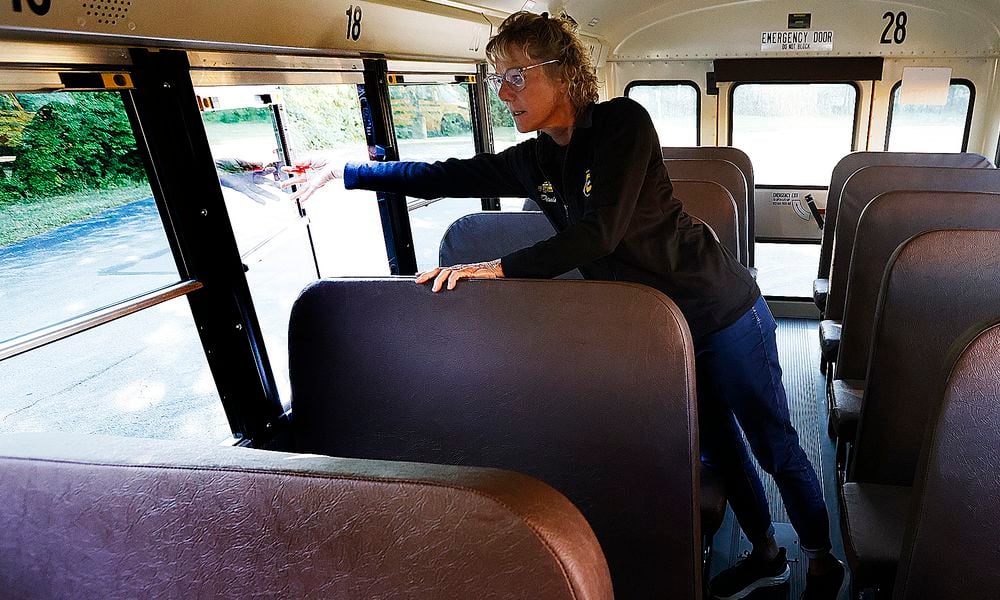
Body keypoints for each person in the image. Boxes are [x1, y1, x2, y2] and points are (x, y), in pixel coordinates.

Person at [282, 11, 845, 599]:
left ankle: (819, 552)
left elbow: (599, 234)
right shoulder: (537, 159)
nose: (504, 91)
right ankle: (767, 553)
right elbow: (444, 174)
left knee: (772, 442)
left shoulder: (623, 124)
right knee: (718, 446)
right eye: (497, 78)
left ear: (565, 73)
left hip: (721, 310)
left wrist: (498, 268)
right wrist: (348, 172)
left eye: (516, 75)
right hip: (661, 328)